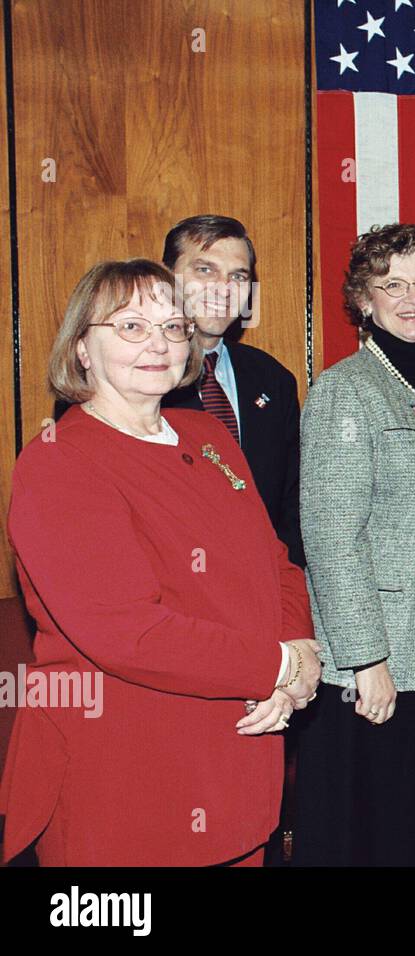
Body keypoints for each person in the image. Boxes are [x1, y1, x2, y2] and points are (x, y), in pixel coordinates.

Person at [0, 259, 320, 867]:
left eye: (173, 327)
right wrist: (274, 666)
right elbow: (128, 631)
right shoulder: (58, 462)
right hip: (129, 780)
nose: (157, 344)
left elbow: (276, 564)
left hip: (239, 759)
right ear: (82, 349)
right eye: (130, 327)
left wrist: (298, 647)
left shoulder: (209, 436)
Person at [292, 223, 415, 866]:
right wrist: (366, 659)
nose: (413, 298)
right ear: (363, 299)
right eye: (393, 284)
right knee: (372, 833)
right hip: (376, 665)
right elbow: (330, 537)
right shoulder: (344, 390)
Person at [50, 217, 304, 566]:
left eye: (238, 276)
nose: (223, 288)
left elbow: (293, 503)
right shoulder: (126, 379)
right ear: (167, 277)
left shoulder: (273, 379)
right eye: (205, 270)